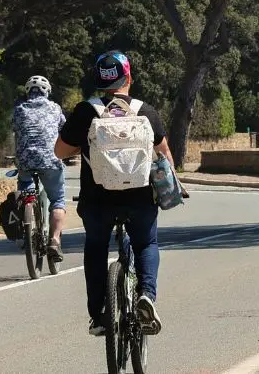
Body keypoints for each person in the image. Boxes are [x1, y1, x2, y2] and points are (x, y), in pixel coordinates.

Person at [56, 51, 175, 338]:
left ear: (99, 82)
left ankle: (98, 315)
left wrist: (81, 147)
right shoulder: (146, 112)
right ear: (129, 78)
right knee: (146, 243)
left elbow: (59, 151)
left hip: (97, 201)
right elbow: (165, 157)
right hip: (140, 198)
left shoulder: (85, 112)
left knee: (96, 248)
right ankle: (146, 295)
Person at [11, 74, 68, 262]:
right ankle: (54, 241)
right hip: (51, 160)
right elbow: (64, 130)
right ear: (47, 91)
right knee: (58, 200)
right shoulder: (55, 108)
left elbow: (15, 129)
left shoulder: (19, 109)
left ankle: (24, 224)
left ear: (28, 92)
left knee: (25, 187)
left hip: (25, 161)